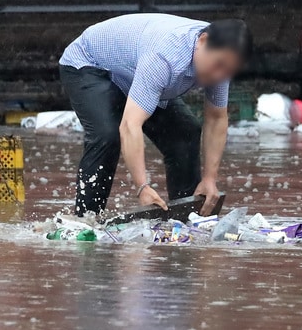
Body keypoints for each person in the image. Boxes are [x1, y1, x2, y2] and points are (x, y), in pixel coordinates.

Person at [59, 15, 252, 218]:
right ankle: (85, 220)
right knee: (107, 136)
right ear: (202, 41)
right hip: (90, 64)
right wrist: (142, 187)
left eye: (228, 71)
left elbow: (216, 118)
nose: (218, 76)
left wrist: (210, 179)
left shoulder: (220, 63)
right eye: (218, 65)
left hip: (132, 71)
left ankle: (187, 214)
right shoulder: (165, 57)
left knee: (185, 132)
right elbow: (130, 125)